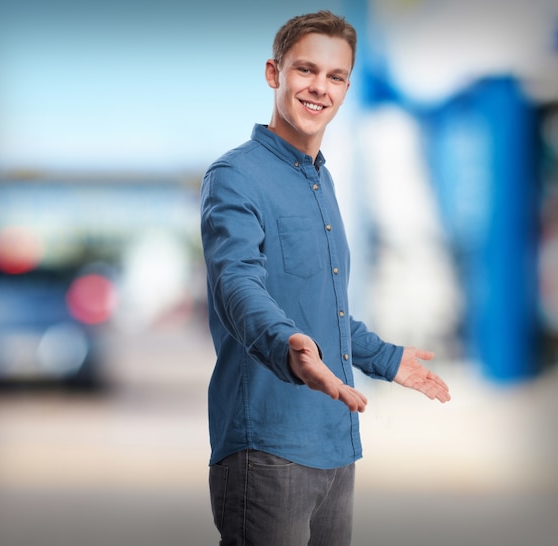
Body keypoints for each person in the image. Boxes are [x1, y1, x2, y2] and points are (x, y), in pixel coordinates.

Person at [200, 10, 451, 546]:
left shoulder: (322, 181)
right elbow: (237, 284)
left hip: (335, 445)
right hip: (266, 450)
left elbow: (324, 309)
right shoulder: (235, 176)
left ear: (347, 87)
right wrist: (288, 346)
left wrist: (385, 357)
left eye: (335, 77)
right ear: (274, 73)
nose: (319, 88)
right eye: (305, 70)